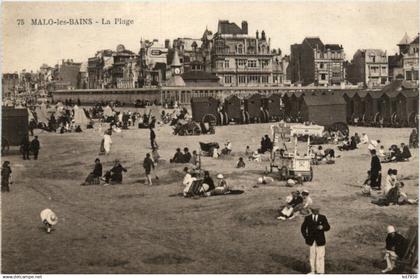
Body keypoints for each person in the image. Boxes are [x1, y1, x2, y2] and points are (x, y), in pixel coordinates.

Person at [301, 206, 331, 274]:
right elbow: (303, 228)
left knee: (320, 256)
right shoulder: (307, 218)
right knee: (312, 256)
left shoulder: (323, 217)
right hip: (311, 240)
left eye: (317, 210)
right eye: (315, 210)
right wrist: (306, 237)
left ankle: (321, 271)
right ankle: (312, 271)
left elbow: (328, 227)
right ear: (311, 210)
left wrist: (322, 227)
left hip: (320, 240)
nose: (317, 211)